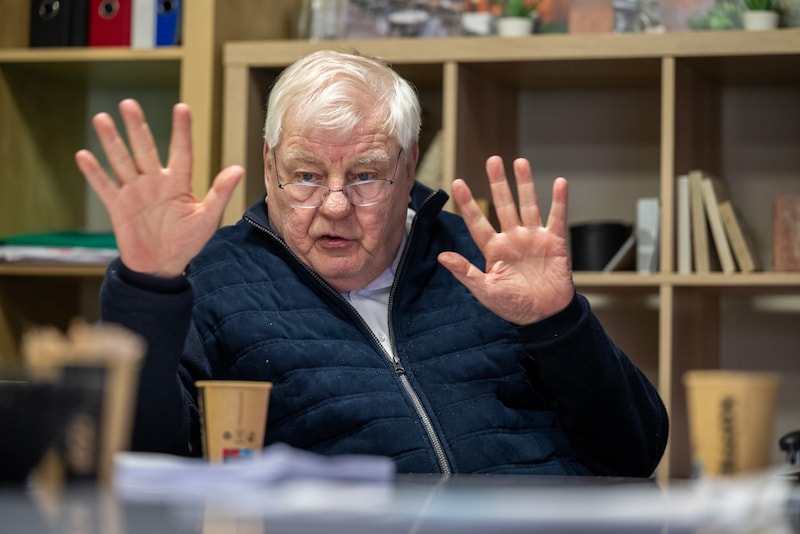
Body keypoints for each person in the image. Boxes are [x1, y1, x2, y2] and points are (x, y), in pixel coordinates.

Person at [76, 50, 668, 477]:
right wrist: (147, 286)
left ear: (408, 169)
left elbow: (634, 454)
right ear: (269, 165)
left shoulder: (485, 260)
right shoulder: (208, 279)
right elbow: (137, 467)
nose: (334, 205)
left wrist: (559, 323)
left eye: (365, 175)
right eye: (306, 175)